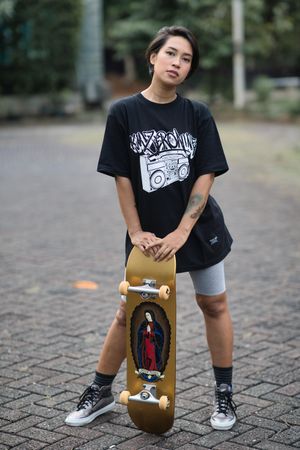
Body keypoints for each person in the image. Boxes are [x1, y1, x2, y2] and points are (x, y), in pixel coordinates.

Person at [65, 25, 237, 431]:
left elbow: (206, 175)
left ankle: (225, 396)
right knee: (129, 312)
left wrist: (181, 232)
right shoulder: (123, 113)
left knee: (213, 305)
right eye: (171, 53)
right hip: (147, 234)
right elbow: (121, 176)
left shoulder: (197, 114)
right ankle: (100, 391)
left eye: (186, 58)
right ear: (153, 57)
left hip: (198, 230)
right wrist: (137, 232)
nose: (178, 63)